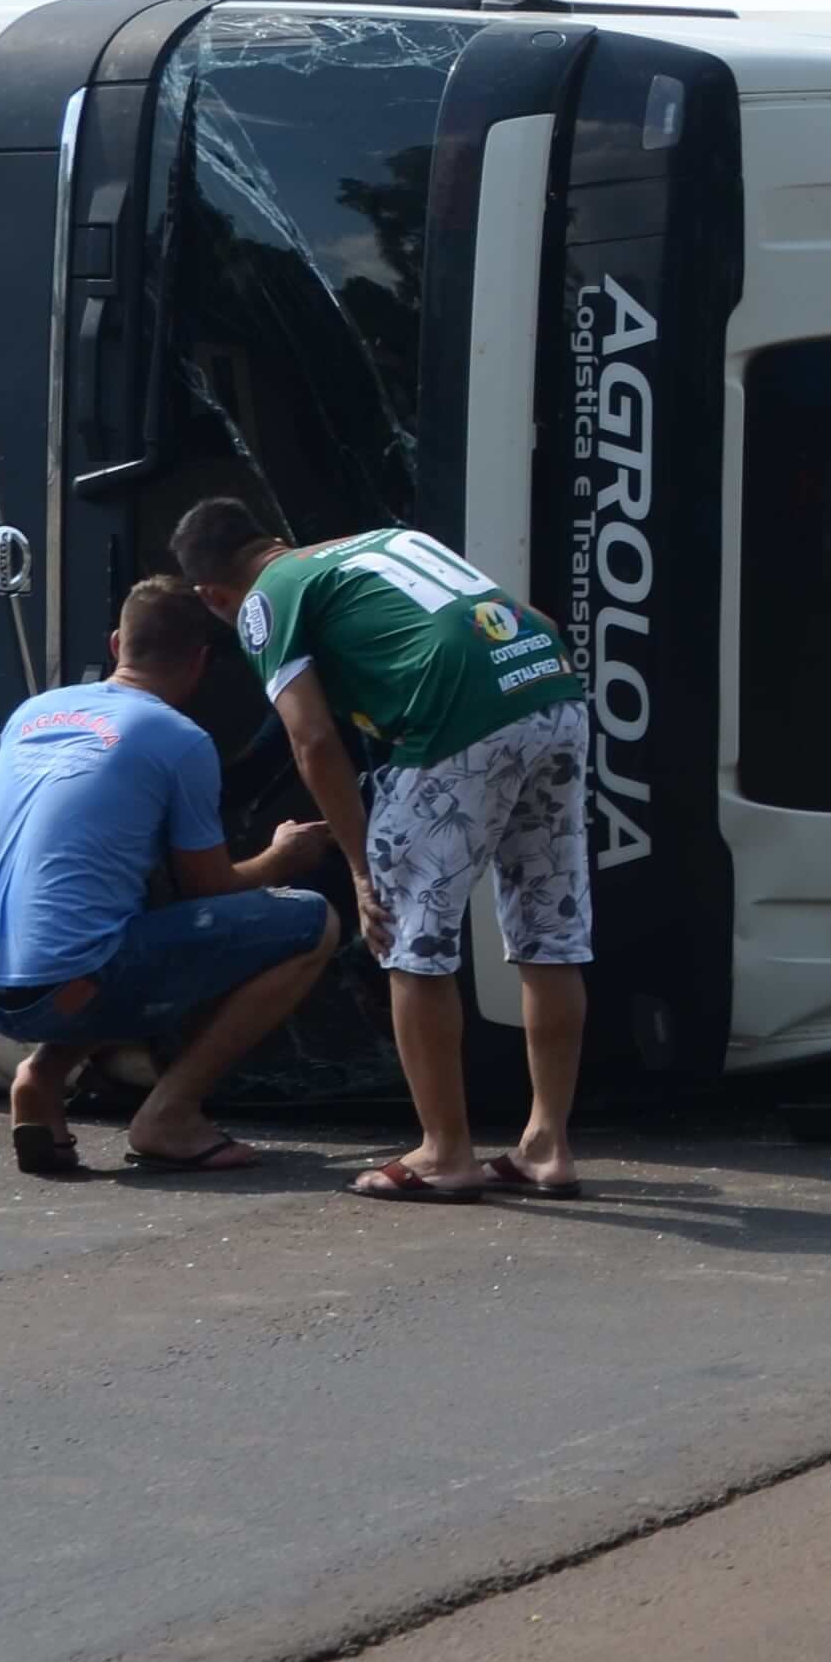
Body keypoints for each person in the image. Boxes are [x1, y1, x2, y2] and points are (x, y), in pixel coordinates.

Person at [173, 499, 596, 1204]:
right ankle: (547, 1146)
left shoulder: (262, 603)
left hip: (455, 723)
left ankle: (443, 1153)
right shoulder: (393, 540)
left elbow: (311, 741)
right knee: (548, 932)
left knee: (410, 940)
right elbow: (543, 627)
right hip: (551, 698)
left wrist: (363, 867)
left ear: (212, 596)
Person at [0, 575, 344, 1181]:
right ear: (203, 660)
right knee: (314, 924)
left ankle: (42, 1077)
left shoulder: (35, 712)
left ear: (116, 644)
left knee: (112, 920)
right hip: (65, 986)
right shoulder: (178, 739)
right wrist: (282, 856)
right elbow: (209, 886)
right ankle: (170, 1113)